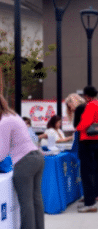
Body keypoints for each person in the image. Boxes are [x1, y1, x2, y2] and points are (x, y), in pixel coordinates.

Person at [0, 94, 45, 229]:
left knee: (26, 203)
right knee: (36, 199)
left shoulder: (4, 122)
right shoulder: (13, 116)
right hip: (37, 157)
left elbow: (1, 151)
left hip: (24, 162)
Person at [76, 86, 98, 213]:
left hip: (88, 140)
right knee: (94, 171)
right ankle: (94, 197)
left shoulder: (90, 105)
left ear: (86, 96)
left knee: (86, 172)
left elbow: (86, 122)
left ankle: (89, 203)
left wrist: (78, 128)